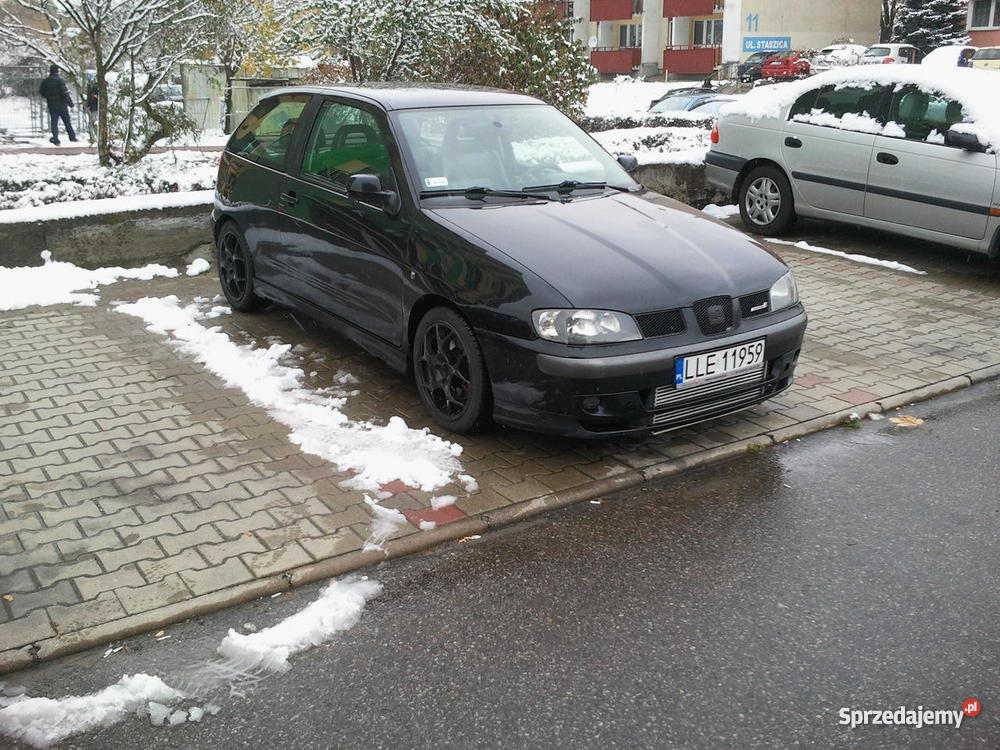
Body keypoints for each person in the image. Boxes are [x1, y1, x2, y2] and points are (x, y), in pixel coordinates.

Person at [38, 64, 77, 145]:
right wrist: (71, 105)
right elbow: (65, 94)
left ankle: (56, 139)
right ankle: (72, 138)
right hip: (62, 105)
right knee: (67, 122)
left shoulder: (45, 81)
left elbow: (42, 92)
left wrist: (48, 97)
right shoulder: (60, 81)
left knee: (54, 123)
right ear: (57, 71)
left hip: (52, 105)